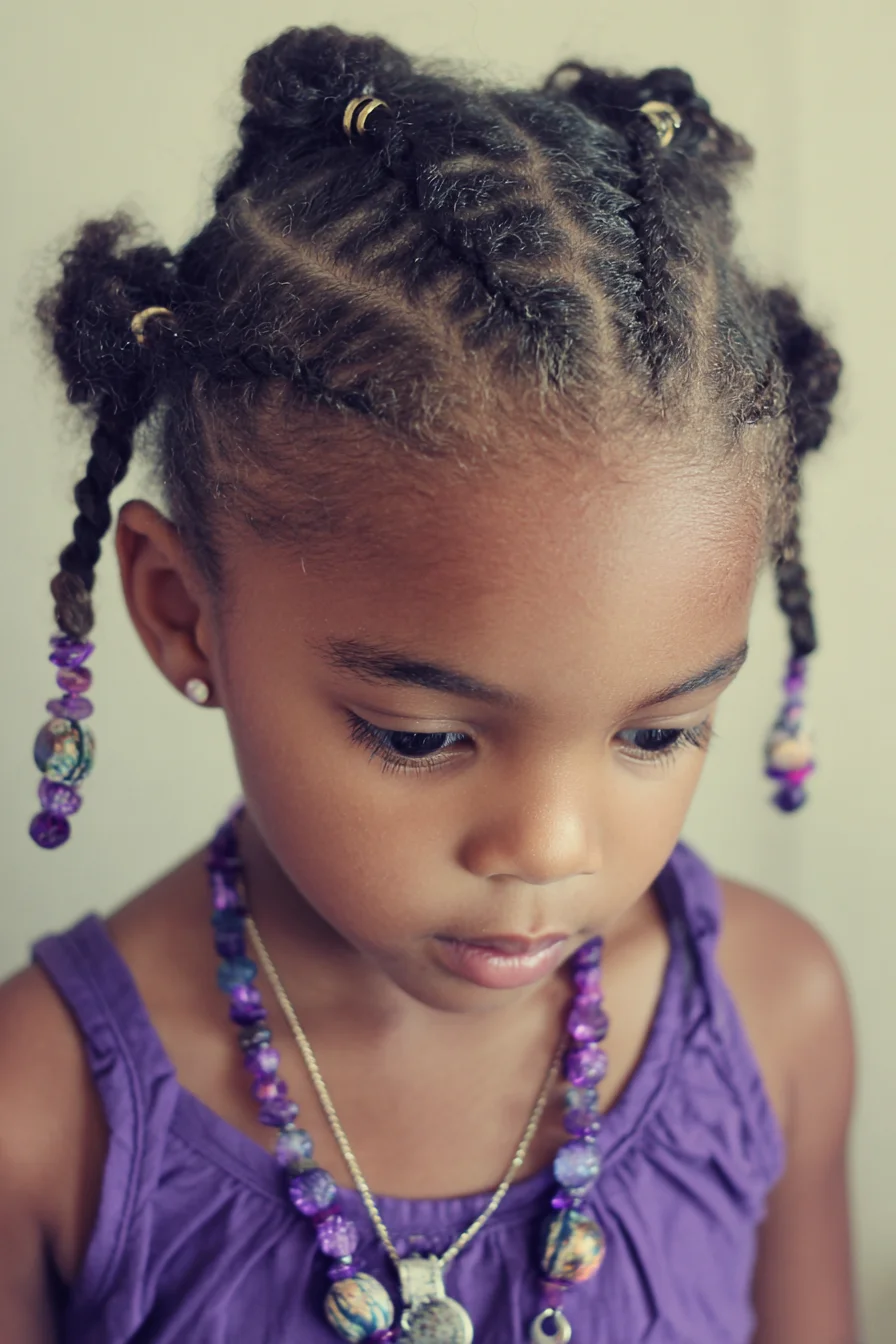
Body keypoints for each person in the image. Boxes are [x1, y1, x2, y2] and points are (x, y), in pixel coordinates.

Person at [0, 24, 856, 1344]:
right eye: (418, 737)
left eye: (661, 730)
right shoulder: (41, 1114)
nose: (551, 846)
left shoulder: (776, 1013)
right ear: (182, 614)